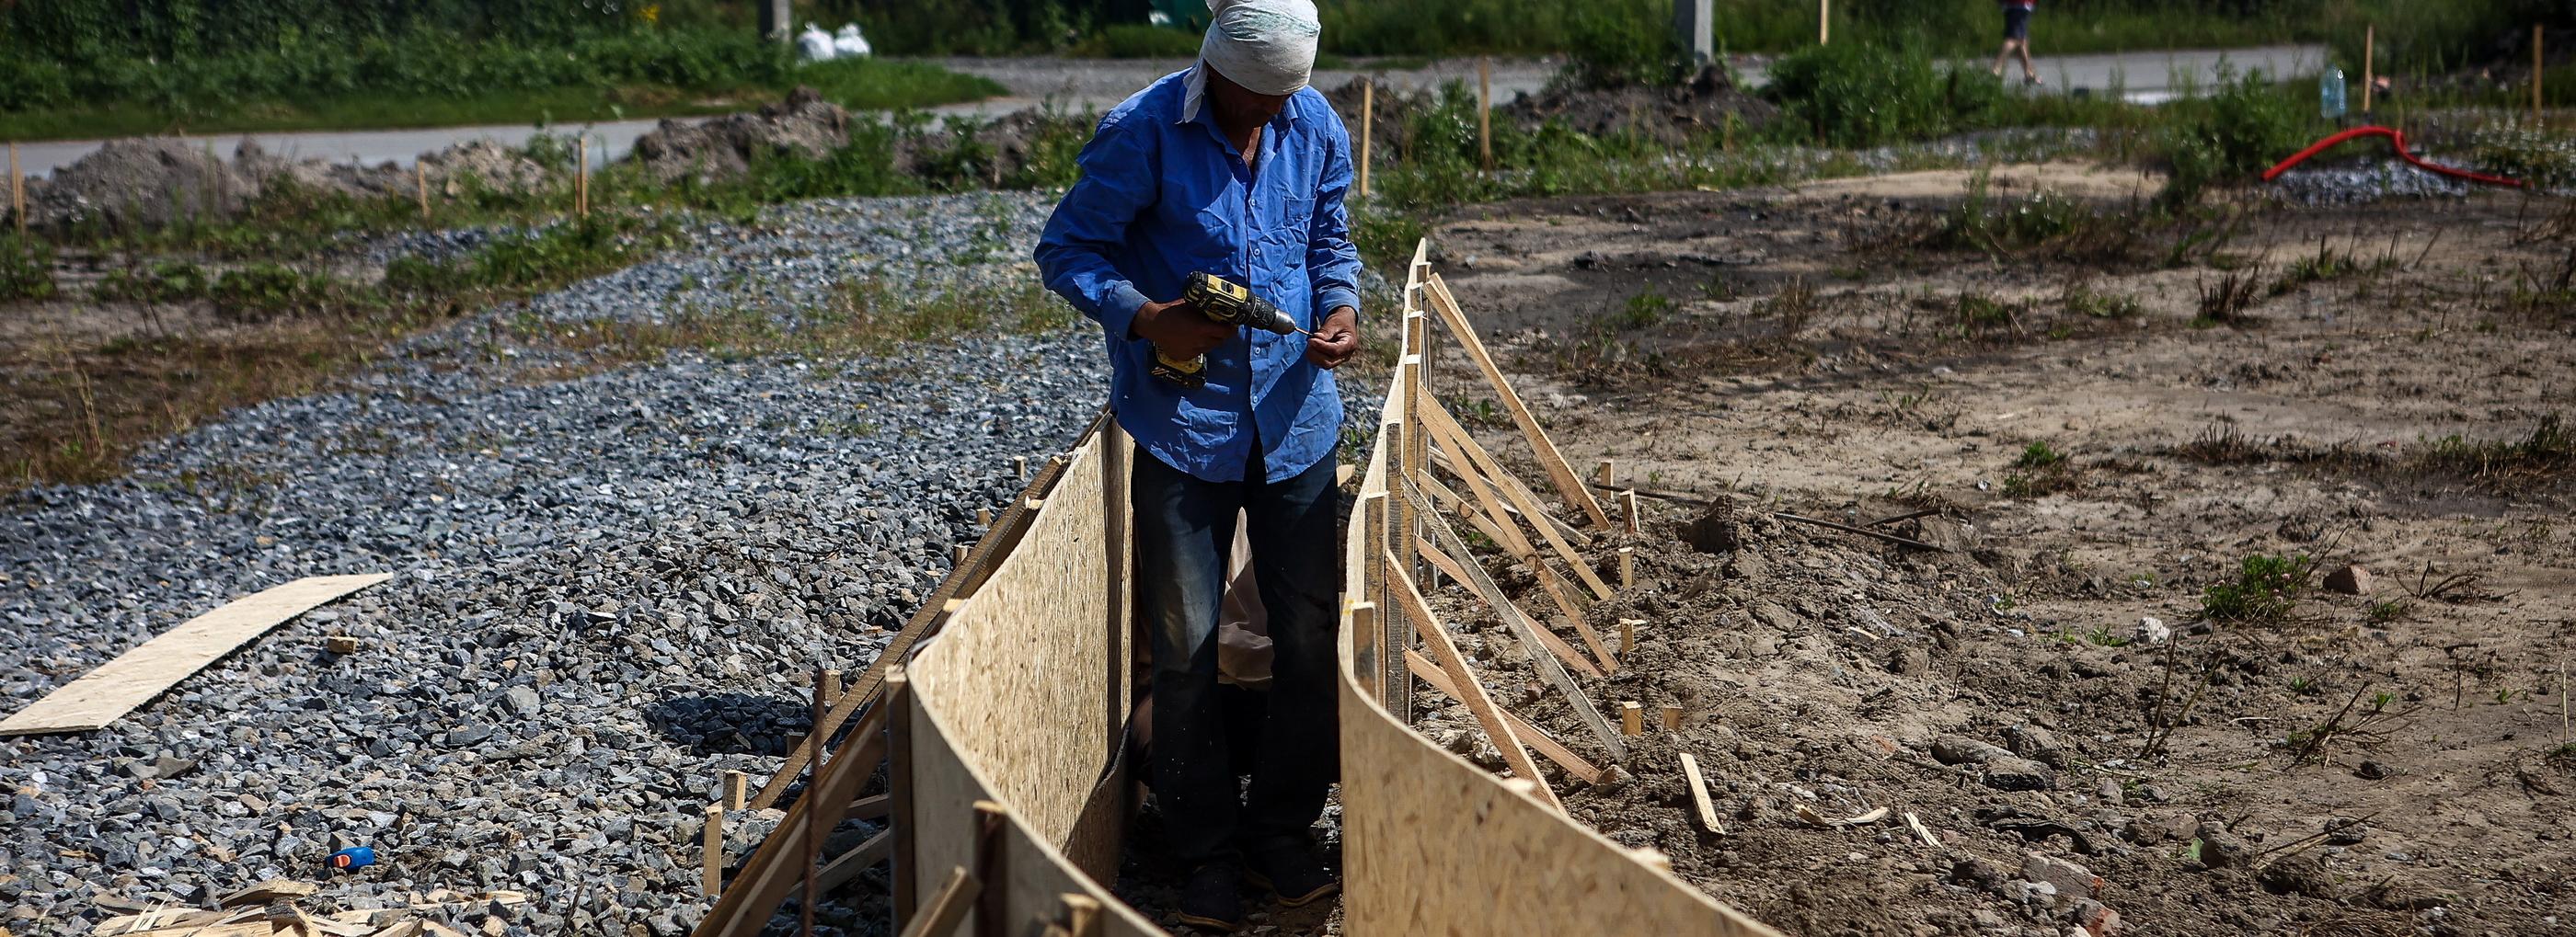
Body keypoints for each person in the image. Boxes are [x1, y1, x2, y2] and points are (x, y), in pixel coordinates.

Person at [1031, 0, 1361, 930]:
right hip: (1183, 422)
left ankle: (1280, 831)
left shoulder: (1314, 122)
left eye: (1279, 101)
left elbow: (1329, 238)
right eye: (1250, 99)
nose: (1264, 116)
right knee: (1183, 649)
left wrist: (1339, 307)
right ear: (1213, 67)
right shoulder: (1141, 132)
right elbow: (1067, 250)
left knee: (1304, 635)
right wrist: (1148, 317)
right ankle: (1203, 850)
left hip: (1296, 417)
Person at [1993, 0, 2041, 86]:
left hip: (2011, 5)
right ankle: (1996, 69)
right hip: (2021, 5)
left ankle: (2029, 73)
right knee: (2014, 39)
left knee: (2021, 40)